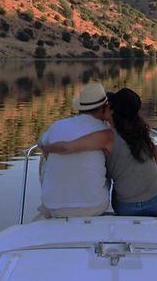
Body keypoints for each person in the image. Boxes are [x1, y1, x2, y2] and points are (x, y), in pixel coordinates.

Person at [42, 87, 157, 219]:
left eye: (109, 104)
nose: (106, 105)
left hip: (126, 208)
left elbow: (67, 148)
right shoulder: (139, 133)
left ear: (112, 110)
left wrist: (46, 148)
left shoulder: (106, 136)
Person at [36, 82, 114, 218]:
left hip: (54, 208)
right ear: (103, 108)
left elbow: (40, 143)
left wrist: (48, 149)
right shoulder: (106, 133)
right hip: (94, 207)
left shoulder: (57, 126)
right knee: (107, 158)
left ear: (81, 107)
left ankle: (51, 199)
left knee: (45, 155)